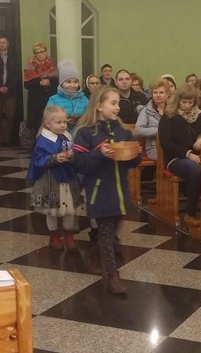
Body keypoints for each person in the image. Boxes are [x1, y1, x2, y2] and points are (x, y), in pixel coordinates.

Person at [72, 86, 141, 295]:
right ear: (99, 106)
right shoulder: (86, 133)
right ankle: (112, 277)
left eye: (118, 103)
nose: (117, 107)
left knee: (111, 234)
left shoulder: (123, 131)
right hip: (99, 192)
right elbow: (80, 164)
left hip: (119, 192)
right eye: (113, 103)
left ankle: (95, 256)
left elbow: (130, 163)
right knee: (106, 234)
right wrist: (99, 154)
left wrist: (135, 154)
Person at [27, 105, 83, 250]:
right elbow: (38, 160)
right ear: (48, 123)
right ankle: (54, 236)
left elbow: (74, 152)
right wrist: (54, 158)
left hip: (68, 178)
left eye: (65, 122)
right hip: (51, 181)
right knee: (52, 211)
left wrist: (72, 155)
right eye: (58, 122)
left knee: (70, 209)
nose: (63, 125)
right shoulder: (43, 140)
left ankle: (69, 235)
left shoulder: (67, 136)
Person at [159, 83, 201, 223]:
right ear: (178, 101)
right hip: (176, 158)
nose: (187, 105)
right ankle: (190, 214)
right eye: (184, 102)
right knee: (196, 171)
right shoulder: (169, 117)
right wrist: (188, 154)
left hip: (199, 156)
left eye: (190, 102)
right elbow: (166, 143)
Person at [0, 36, 21, 147]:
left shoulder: (14, 57)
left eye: (3, 42)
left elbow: (17, 74)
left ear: (7, 44)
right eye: (0, 42)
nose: (2, 44)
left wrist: (8, 87)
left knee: (10, 115)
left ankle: (7, 139)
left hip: (11, 91)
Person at [23, 42, 58, 147]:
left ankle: (50, 145)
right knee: (37, 123)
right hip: (36, 99)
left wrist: (49, 82)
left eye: (42, 51)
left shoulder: (53, 65)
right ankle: (38, 145)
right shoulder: (30, 66)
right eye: (37, 52)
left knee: (50, 120)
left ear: (46, 52)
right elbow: (27, 84)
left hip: (50, 97)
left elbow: (58, 81)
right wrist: (39, 82)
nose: (40, 54)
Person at [47, 60, 88, 137]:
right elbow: (48, 119)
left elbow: (90, 118)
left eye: (75, 82)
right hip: (59, 137)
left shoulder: (84, 99)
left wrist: (80, 119)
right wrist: (63, 120)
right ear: (61, 83)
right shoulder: (53, 100)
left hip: (81, 136)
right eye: (68, 82)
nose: (72, 85)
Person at [135, 78, 170, 160]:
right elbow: (138, 130)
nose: (158, 95)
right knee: (170, 156)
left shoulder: (173, 110)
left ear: (167, 94)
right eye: (155, 92)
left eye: (161, 92)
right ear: (152, 94)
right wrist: (159, 131)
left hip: (171, 145)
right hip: (154, 148)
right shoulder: (145, 111)